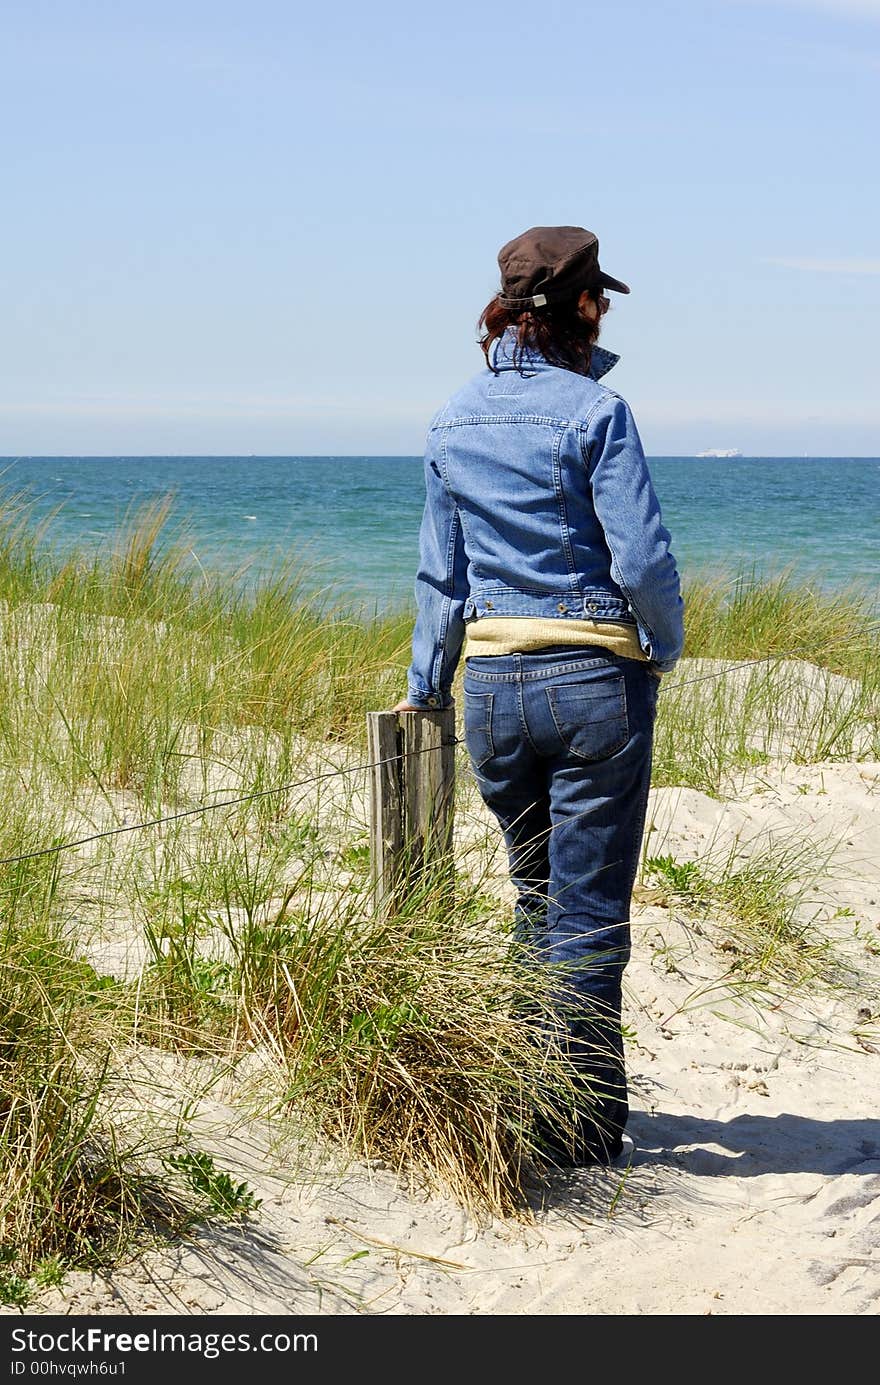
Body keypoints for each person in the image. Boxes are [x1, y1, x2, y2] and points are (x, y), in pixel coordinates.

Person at [394, 225, 684, 1167]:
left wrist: (424, 688)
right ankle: (582, 1128)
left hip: (492, 692)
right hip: (593, 678)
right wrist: (663, 647)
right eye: (600, 296)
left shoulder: (449, 419)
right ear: (581, 305)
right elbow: (640, 557)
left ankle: (526, 1098)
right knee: (589, 909)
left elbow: (442, 578)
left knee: (533, 900)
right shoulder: (598, 414)